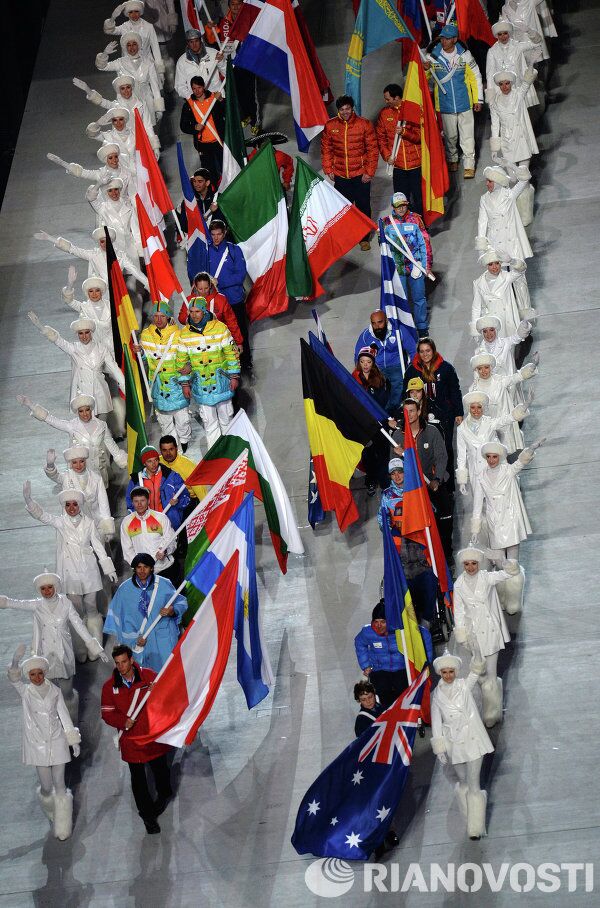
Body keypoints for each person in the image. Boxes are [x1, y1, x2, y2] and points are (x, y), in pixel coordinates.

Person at [0, 573, 108, 722]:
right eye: (43, 588)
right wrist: (3, 602)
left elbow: (79, 625)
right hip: (44, 657)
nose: (47, 591)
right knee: (48, 696)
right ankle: (54, 727)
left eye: (50, 587)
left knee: (67, 693)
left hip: (64, 655)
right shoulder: (37, 605)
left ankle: (71, 725)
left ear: (55, 587)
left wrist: (95, 646)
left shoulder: (66, 604)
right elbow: (15, 603)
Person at [23, 483, 117, 640]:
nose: (71, 508)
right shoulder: (60, 522)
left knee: (91, 606)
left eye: (75, 504)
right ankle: (81, 643)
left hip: (89, 571)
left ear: (80, 505)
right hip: (70, 573)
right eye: (68, 505)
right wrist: (29, 500)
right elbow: (42, 515)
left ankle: (95, 639)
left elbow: (98, 547)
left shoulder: (89, 523)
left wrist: (109, 568)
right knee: (76, 610)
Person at [8, 647, 81, 841]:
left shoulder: (55, 691)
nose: (37, 677)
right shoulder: (25, 692)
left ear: (45, 673)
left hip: (57, 740)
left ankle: (63, 825)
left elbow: (64, 716)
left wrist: (72, 740)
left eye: (40, 673)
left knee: (60, 785)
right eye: (32, 674)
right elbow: (14, 679)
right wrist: (16, 660)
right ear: (29, 676)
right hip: (37, 744)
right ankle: (51, 809)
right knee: (47, 787)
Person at [101, 644, 173, 834]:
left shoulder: (150, 677)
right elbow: (107, 713)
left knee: (160, 771)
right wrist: (123, 722)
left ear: (131, 660)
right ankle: (148, 817)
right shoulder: (109, 687)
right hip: (131, 740)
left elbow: (165, 700)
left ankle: (165, 793)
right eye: (117, 663)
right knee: (138, 781)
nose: (121, 666)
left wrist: (159, 690)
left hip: (151, 736)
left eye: (124, 662)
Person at [430, 650, 493, 840]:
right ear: (440, 673)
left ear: (456, 671)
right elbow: (436, 721)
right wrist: (439, 746)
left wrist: (478, 657)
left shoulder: (464, 686)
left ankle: (475, 828)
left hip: (472, 739)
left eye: (451, 671)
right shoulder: (436, 695)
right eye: (444, 672)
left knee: (474, 785)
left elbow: (475, 672)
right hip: (453, 744)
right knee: (464, 782)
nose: (448, 675)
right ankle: (469, 818)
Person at [452, 548, 516, 727]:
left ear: (478, 564)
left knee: (491, 672)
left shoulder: (487, 577)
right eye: (466, 564)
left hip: (489, 631)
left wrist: (501, 559)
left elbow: (509, 573)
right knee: (480, 671)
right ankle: (490, 704)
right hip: (473, 634)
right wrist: (462, 633)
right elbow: (458, 610)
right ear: (463, 565)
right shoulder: (458, 584)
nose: (470, 567)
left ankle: (491, 712)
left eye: (473, 563)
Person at [27, 312, 125, 418]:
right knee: (86, 424)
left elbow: (114, 368)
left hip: (100, 392)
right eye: (80, 333)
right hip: (82, 393)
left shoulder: (102, 349)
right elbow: (58, 340)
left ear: (91, 332)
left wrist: (125, 386)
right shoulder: (74, 348)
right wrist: (40, 326)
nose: (84, 336)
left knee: (102, 426)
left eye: (86, 332)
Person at [17, 393, 128, 487]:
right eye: (81, 411)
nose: (85, 414)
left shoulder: (101, 425)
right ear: (77, 412)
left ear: (91, 409)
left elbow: (111, 445)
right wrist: (30, 404)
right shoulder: (72, 426)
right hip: (80, 472)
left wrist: (125, 461)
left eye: (87, 410)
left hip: (99, 472)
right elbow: (50, 419)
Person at [390, 398, 453, 562]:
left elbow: (441, 457)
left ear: (418, 411)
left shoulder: (432, 431)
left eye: (412, 410)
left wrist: (437, 479)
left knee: (444, 520)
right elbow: (394, 466)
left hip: (433, 485)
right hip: (412, 489)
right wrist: (398, 456)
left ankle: (446, 556)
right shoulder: (397, 436)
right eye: (405, 411)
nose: (409, 414)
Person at [104, 554, 188, 672]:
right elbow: (119, 620)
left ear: (152, 568)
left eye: (146, 567)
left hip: (163, 640)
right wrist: (134, 639)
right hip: (140, 643)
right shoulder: (124, 590)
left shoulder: (164, 584)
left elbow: (181, 602)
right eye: (139, 567)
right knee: (145, 679)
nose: (142, 571)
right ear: (134, 569)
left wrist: (172, 610)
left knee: (167, 674)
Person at [176, 297, 240, 448]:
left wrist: (234, 376)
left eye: (197, 311)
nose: (194, 315)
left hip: (222, 383)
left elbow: (232, 354)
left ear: (204, 311)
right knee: (209, 423)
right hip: (201, 385)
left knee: (227, 419)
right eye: (191, 312)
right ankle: (217, 455)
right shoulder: (184, 334)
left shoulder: (220, 328)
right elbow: (180, 362)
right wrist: (185, 383)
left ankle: (231, 451)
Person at [402, 337, 463, 486]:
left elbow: (455, 391)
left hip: (445, 416)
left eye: (428, 350)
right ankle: (429, 484)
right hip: (421, 417)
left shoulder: (446, 368)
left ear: (433, 351)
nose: (425, 354)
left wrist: (458, 412)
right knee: (427, 451)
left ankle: (448, 486)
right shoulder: (412, 371)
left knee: (446, 448)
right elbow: (405, 395)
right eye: (421, 351)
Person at [425, 24, 484, 178]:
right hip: (445, 104)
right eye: (442, 38)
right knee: (450, 136)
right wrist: (425, 69)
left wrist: (478, 99)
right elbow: (425, 79)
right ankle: (452, 159)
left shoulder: (465, 55)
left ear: (455, 39)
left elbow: (475, 76)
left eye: (447, 38)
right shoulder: (432, 57)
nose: (444, 41)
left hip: (464, 102)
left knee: (467, 135)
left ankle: (469, 164)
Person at [470, 440, 543, 564]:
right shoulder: (480, 477)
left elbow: (520, 463)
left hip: (510, 519)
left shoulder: (508, 470)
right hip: (494, 520)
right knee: (499, 562)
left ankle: (514, 582)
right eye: (488, 457)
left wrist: (530, 449)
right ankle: (505, 579)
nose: (491, 460)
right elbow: (477, 504)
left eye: (494, 457)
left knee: (513, 563)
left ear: (500, 457)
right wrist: (475, 529)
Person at [321, 95, 378, 250]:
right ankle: (347, 236)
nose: (345, 111)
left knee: (363, 206)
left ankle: (364, 238)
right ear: (338, 110)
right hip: (341, 175)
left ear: (352, 108)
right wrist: (328, 168)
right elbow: (326, 149)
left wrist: (369, 172)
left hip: (361, 175)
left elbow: (373, 150)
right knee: (343, 208)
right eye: (342, 109)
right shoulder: (330, 125)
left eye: (347, 108)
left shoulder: (364, 124)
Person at [137, 301, 191, 449]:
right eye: (155, 316)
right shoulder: (146, 335)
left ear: (168, 317)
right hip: (158, 387)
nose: (158, 319)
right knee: (165, 424)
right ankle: (175, 451)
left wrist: (186, 378)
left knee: (183, 421)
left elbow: (186, 359)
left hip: (176, 386)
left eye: (162, 316)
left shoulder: (179, 335)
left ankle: (184, 441)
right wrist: (140, 352)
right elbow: (145, 359)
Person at [455, 391, 528, 495]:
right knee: (482, 504)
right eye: (473, 407)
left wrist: (520, 411)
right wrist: (462, 481)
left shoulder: (489, 422)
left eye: (479, 407)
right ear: (468, 408)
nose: (476, 410)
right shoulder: (461, 429)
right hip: (476, 472)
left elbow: (504, 420)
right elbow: (461, 455)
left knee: (499, 498)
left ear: (483, 408)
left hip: (494, 468)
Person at [33, 226, 148, 289]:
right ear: (99, 243)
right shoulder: (93, 255)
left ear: (112, 242)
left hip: (118, 294)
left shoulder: (121, 257)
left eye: (107, 241)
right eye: (102, 242)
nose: (104, 244)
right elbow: (73, 249)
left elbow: (135, 271)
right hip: (98, 293)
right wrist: (49, 238)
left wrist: (148, 284)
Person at [383, 193, 433, 336]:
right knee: (401, 299)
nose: (401, 208)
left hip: (415, 266)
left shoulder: (416, 219)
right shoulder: (386, 222)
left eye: (404, 205)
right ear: (393, 207)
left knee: (419, 298)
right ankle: (405, 327)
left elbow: (425, 243)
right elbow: (384, 250)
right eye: (398, 206)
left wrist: (426, 265)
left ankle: (422, 326)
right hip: (398, 269)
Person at [469, 352, 537, 452]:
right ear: (476, 370)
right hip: (488, 427)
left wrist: (531, 368)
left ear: (491, 367)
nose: (483, 371)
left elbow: (515, 378)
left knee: (505, 452)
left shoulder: (499, 380)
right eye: (480, 368)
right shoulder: (474, 389)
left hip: (504, 422)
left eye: (486, 367)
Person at [44, 444, 115, 539]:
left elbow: (103, 503)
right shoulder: (66, 477)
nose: (78, 465)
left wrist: (107, 526)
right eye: (74, 462)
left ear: (86, 461)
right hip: (74, 523)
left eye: (81, 461)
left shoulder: (96, 478)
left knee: (100, 550)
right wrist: (50, 465)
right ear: (70, 463)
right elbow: (55, 476)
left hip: (95, 522)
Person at [207, 221, 250, 371]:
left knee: (240, 332)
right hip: (216, 303)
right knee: (217, 335)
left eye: (219, 234)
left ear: (224, 233)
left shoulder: (234, 250)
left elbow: (240, 275)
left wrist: (219, 282)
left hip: (234, 299)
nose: (216, 238)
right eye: (213, 235)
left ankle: (245, 363)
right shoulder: (206, 251)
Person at [375, 83, 423, 215]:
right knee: (401, 199)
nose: (385, 101)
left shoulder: (412, 111)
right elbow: (381, 138)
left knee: (419, 199)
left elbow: (420, 137)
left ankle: (421, 225)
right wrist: (387, 156)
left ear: (396, 98)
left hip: (415, 165)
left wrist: (404, 132)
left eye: (387, 99)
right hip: (398, 166)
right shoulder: (384, 114)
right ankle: (404, 225)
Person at [354, 602, 409, 707]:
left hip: (401, 667)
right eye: (376, 621)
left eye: (383, 622)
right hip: (380, 669)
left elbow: (423, 635)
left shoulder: (401, 629)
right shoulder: (367, 632)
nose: (379, 625)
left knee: (404, 692)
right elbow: (359, 643)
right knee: (383, 692)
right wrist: (366, 665)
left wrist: (424, 662)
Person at [73, 72, 159, 139]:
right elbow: (102, 102)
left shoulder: (141, 105)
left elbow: (148, 126)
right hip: (122, 139)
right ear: (119, 90)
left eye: (128, 87)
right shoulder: (116, 106)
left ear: (132, 88)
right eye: (122, 88)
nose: (126, 91)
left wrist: (154, 146)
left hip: (140, 139)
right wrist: (87, 89)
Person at [96, 33, 162, 119]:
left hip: (147, 103)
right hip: (127, 104)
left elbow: (155, 86)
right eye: (128, 45)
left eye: (134, 44)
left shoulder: (149, 63)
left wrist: (159, 108)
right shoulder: (120, 62)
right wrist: (105, 54)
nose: (132, 48)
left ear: (139, 45)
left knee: (149, 130)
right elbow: (102, 67)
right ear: (125, 47)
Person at [352, 348, 391, 494]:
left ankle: (384, 481)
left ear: (373, 363)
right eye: (362, 361)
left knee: (382, 452)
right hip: (363, 425)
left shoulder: (380, 379)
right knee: (367, 454)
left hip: (379, 423)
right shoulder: (353, 380)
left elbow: (384, 400)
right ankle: (371, 480)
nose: (365, 365)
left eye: (368, 361)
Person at [120, 487, 178, 583]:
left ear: (148, 501)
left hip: (164, 568)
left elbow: (171, 540)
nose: (139, 504)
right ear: (132, 502)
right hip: (143, 574)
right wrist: (140, 567)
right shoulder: (127, 522)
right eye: (136, 501)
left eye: (142, 500)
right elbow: (127, 549)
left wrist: (165, 551)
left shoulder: (161, 518)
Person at [125, 444, 190, 530]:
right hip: (147, 527)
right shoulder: (135, 481)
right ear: (144, 463)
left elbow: (186, 497)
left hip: (170, 524)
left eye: (156, 460)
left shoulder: (172, 476)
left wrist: (178, 502)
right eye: (149, 461)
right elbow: (130, 504)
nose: (154, 464)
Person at [476, 164, 533, 261]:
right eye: (487, 181)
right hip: (494, 240)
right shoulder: (484, 199)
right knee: (499, 272)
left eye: (490, 181)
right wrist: (481, 249)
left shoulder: (509, 195)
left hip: (510, 240)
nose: (487, 184)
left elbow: (524, 179)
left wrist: (510, 165)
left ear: (498, 181)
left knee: (516, 271)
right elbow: (482, 222)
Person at [354, 310, 407, 412]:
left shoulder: (398, 330)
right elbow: (357, 355)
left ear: (386, 321)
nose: (377, 326)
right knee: (376, 389)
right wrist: (360, 372)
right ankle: (382, 412)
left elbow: (412, 349)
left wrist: (412, 368)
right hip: (377, 367)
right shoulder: (366, 335)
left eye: (380, 322)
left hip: (396, 365)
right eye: (374, 323)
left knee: (398, 385)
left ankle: (391, 410)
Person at [47, 142, 133, 202]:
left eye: (115, 157)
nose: (114, 160)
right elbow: (81, 172)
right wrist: (61, 162)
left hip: (125, 208)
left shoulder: (127, 173)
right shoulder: (100, 174)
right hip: (108, 213)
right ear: (105, 160)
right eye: (110, 158)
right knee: (107, 229)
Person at [486, 19, 542, 108]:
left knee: (525, 116)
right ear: (496, 35)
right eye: (500, 34)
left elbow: (538, 43)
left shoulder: (518, 46)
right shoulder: (492, 52)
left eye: (505, 33)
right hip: (503, 91)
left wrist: (529, 30)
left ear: (509, 33)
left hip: (519, 87)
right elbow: (489, 75)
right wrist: (491, 99)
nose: (503, 37)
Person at [471, 251, 528, 338]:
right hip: (491, 325)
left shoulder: (506, 277)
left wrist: (512, 261)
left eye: (497, 263)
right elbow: (476, 307)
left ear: (501, 263)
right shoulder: (478, 283)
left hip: (507, 321)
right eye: (490, 264)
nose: (494, 267)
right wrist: (475, 329)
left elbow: (521, 270)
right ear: (486, 266)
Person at [489, 69, 538, 167]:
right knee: (513, 179)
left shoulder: (518, 94)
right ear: (498, 85)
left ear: (511, 83)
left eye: (507, 83)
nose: (504, 87)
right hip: (507, 142)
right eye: (501, 84)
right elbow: (495, 125)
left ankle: (526, 182)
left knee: (523, 175)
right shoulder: (494, 102)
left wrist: (531, 63)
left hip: (521, 139)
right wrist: (494, 148)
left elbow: (526, 83)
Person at [179, 76, 224, 181]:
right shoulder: (189, 105)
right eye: (194, 88)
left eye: (199, 87)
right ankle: (214, 194)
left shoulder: (214, 98)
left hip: (219, 142)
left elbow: (228, 111)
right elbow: (183, 126)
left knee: (225, 169)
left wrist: (221, 100)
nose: (197, 91)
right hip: (203, 145)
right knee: (210, 174)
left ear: (203, 86)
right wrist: (194, 127)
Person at [86, 177, 141, 263]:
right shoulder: (102, 208)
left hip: (131, 249)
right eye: (110, 190)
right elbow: (90, 198)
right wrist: (99, 184)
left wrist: (140, 249)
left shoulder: (128, 206)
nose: (114, 193)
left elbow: (136, 229)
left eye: (116, 189)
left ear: (120, 190)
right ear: (106, 192)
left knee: (135, 274)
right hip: (114, 250)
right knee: (117, 275)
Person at [103, 1, 164, 77]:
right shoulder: (125, 27)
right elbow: (110, 31)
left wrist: (160, 69)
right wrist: (113, 17)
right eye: (130, 12)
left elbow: (155, 48)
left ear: (140, 12)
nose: (134, 15)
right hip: (129, 65)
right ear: (127, 14)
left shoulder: (149, 27)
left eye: (136, 11)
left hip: (146, 65)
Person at [188, 271, 243, 348]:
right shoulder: (189, 301)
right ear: (196, 287)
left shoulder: (221, 299)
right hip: (197, 344)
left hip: (219, 342)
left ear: (210, 285)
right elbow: (181, 319)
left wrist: (238, 342)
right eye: (200, 289)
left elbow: (231, 321)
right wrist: (189, 315)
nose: (203, 291)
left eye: (206, 288)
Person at [61, 273, 113, 353]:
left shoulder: (111, 306)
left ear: (102, 292)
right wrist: (70, 284)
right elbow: (69, 300)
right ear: (87, 293)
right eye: (91, 291)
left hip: (112, 348)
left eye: (97, 290)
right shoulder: (84, 307)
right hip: (94, 351)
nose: (94, 294)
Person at [474, 315, 532, 379]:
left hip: (509, 383)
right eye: (485, 331)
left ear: (496, 330)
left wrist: (524, 326)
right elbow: (477, 375)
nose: (489, 334)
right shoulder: (478, 352)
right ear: (482, 333)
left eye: (491, 330)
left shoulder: (505, 343)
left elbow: (517, 337)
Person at [175, 28, 225, 99]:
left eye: (196, 41)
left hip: (216, 98)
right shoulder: (182, 61)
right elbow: (179, 85)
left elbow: (227, 73)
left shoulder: (214, 54)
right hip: (197, 103)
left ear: (200, 40)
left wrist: (221, 62)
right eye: (191, 42)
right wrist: (191, 97)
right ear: (187, 43)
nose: (194, 44)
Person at [158, 434, 207, 501]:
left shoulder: (189, 466)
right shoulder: (157, 462)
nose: (168, 453)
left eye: (171, 449)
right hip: (165, 499)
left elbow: (201, 493)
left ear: (176, 448)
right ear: (160, 451)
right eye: (164, 450)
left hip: (188, 500)